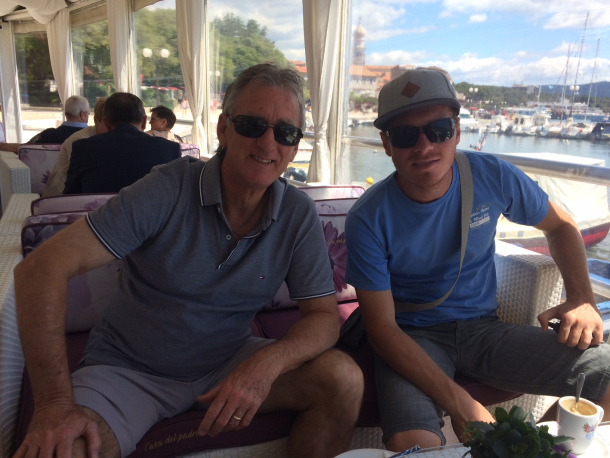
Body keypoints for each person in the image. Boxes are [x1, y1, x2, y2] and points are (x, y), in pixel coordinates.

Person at [14, 63, 363, 458]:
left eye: (285, 132)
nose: (268, 143)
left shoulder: (297, 213)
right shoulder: (168, 187)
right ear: (223, 129)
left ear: (295, 145)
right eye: (252, 125)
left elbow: (323, 317)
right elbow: (40, 269)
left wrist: (268, 362)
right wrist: (54, 405)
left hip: (227, 362)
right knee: (65, 448)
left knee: (343, 379)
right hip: (129, 371)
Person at [344, 67, 610, 452]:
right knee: (416, 444)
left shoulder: (492, 176)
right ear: (386, 144)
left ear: (456, 131)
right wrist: (461, 404)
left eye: (438, 129)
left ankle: (535, 448)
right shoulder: (368, 218)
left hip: (483, 330)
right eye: (404, 135)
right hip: (411, 336)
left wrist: (581, 297)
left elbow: (561, 226)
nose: (424, 146)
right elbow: (383, 331)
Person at [63, 92, 181, 194]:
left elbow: (71, 197)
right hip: (153, 214)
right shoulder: (170, 149)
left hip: (100, 214)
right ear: (145, 122)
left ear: (106, 123)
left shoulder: (82, 149)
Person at [42, 97, 108, 197]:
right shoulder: (80, 141)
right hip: (61, 198)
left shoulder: (48, 135)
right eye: (108, 123)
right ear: (96, 120)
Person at [1, 95, 90, 153]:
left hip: (51, 177)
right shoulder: (92, 136)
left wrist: (2, 145)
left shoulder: (48, 135)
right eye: (88, 113)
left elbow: (24, 149)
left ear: (66, 113)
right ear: (82, 115)